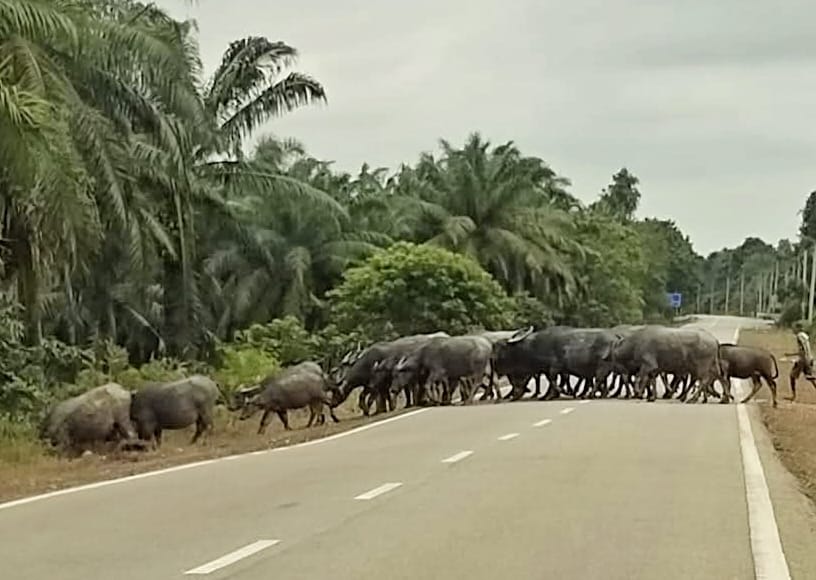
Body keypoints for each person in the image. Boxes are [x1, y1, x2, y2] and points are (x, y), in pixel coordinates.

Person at [786, 325, 816, 401]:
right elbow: (806, 348)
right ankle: (793, 396)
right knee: (810, 377)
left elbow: (803, 350)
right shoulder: (805, 336)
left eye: (794, 328)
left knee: (792, 376)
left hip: (803, 359)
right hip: (808, 358)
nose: (793, 330)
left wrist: (800, 359)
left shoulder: (799, 336)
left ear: (798, 328)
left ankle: (793, 396)